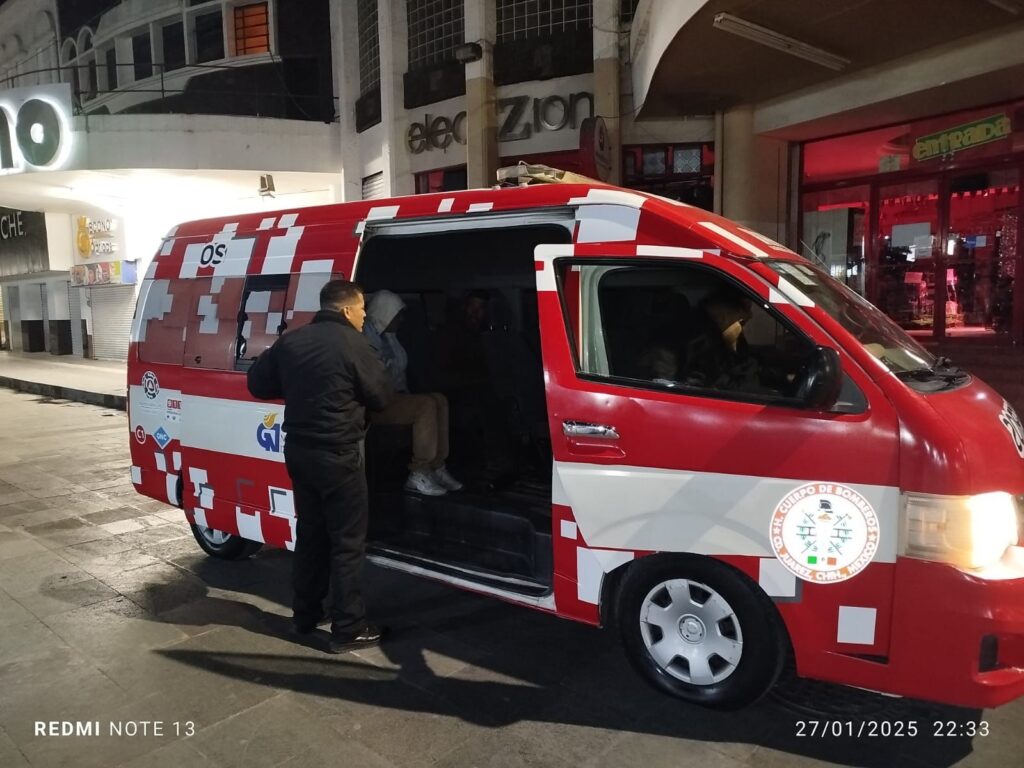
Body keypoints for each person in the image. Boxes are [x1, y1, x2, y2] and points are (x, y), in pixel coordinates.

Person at [247, 279, 393, 654]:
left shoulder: (292, 341)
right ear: (346, 309)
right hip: (339, 455)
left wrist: (300, 388)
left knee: (310, 535)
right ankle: (348, 628)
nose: (364, 317)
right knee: (346, 543)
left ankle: (305, 616)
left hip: (299, 451)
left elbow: (258, 383)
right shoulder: (355, 344)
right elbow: (380, 396)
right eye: (362, 310)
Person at [363, 290, 463, 496]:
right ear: (385, 313)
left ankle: (436, 465)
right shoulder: (368, 341)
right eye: (397, 314)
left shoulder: (390, 339)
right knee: (425, 405)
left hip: (395, 397)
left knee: (439, 399)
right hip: (376, 404)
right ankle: (419, 472)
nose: (401, 319)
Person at [684, 286, 762, 391]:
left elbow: (740, 361)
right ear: (724, 311)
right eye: (745, 309)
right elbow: (736, 388)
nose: (749, 315)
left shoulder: (720, 334)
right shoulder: (701, 342)